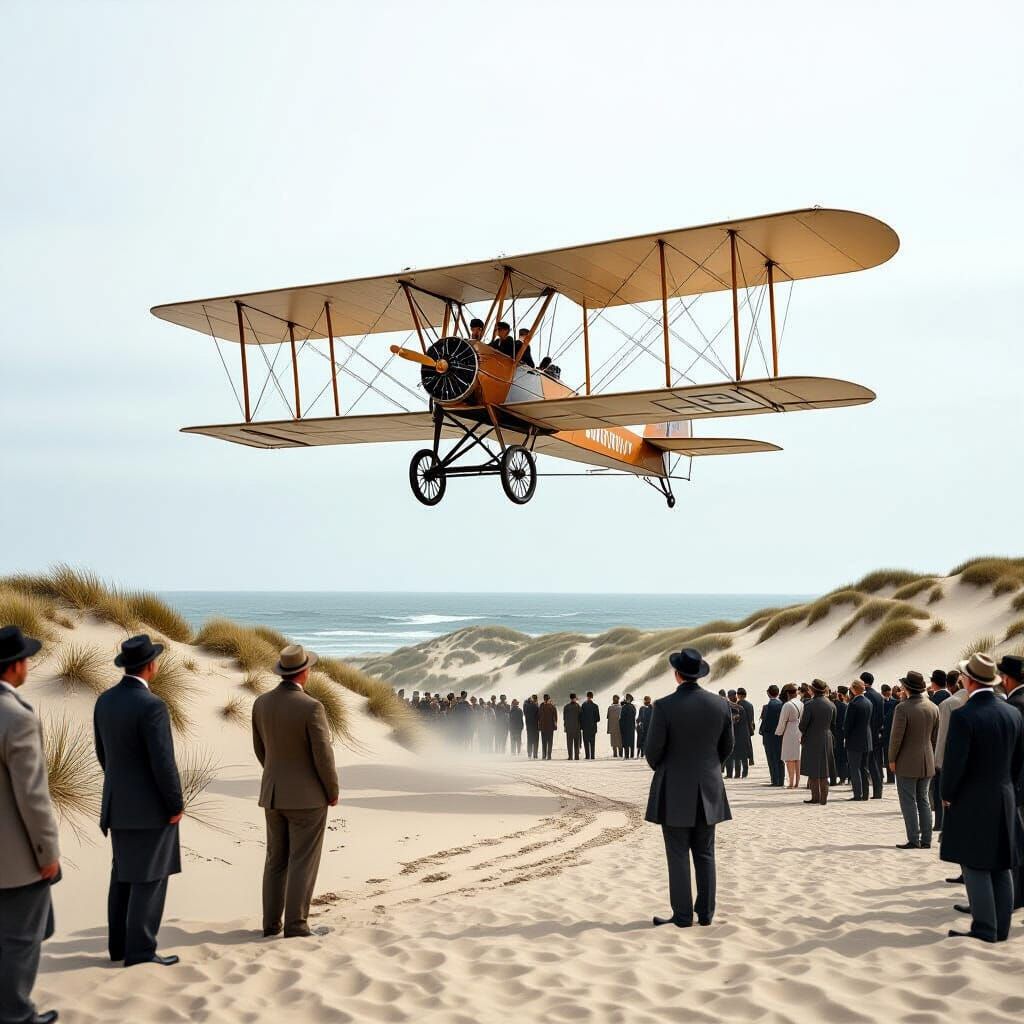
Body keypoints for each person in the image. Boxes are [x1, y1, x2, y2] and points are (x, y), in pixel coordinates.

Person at [93, 635, 183, 967]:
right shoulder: (152, 706)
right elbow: (163, 762)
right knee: (149, 877)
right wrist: (175, 804)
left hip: (118, 804)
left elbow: (103, 755)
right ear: (150, 666)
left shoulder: (105, 700)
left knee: (122, 875)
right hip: (149, 809)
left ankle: (119, 947)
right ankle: (141, 951)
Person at [252, 644, 339, 939]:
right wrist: (332, 790)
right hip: (307, 797)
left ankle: (270, 924)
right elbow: (323, 756)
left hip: (273, 793)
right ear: (304, 672)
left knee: (275, 859)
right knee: (302, 859)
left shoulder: (261, 703)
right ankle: (296, 925)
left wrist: (276, 776)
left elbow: (261, 750)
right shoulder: (312, 707)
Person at [645, 648, 733, 928]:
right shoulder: (720, 704)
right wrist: (708, 767)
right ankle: (705, 913)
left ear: (677, 674)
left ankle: (683, 915)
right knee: (706, 853)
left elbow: (652, 752)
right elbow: (727, 747)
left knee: (678, 854)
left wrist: (670, 768)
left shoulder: (664, 706)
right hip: (708, 786)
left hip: (674, 788)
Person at [0, 626, 60, 1024]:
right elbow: (33, 796)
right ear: (15, 666)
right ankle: (17, 1015)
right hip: (14, 856)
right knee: (22, 939)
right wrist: (48, 853)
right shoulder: (16, 717)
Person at [941, 653, 1024, 943]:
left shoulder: (965, 716)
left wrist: (947, 793)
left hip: (973, 797)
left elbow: (955, 764)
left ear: (971, 680)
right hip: (1005, 794)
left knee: (975, 863)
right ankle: (1001, 928)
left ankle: (985, 928)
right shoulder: (1012, 712)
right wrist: (1009, 788)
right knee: (1001, 863)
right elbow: (1018, 763)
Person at [888, 670, 939, 849]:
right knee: (923, 800)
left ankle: (913, 839)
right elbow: (934, 738)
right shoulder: (933, 707)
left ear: (908, 688)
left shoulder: (902, 708)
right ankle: (926, 839)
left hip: (907, 761)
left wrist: (892, 759)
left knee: (908, 801)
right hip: (927, 759)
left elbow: (896, 738)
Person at [996, 655, 1024, 908]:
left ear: (1006, 678)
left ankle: (1018, 895)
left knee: (1018, 842)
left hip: (1018, 784)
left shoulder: (1015, 705)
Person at [799, 680, 835, 805]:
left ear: (813, 690)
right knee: (824, 770)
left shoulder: (810, 704)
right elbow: (834, 723)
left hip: (812, 738)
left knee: (813, 769)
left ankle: (816, 797)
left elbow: (803, 725)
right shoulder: (830, 704)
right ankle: (824, 798)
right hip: (827, 737)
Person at [844, 680, 873, 801]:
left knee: (854, 767)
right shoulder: (868, 702)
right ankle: (865, 794)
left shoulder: (854, 704)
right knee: (864, 767)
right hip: (866, 738)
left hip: (855, 740)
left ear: (854, 689)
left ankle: (857, 794)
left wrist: (845, 736)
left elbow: (848, 724)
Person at [861, 672, 885, 798]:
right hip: (877, 732)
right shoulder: (878, 696)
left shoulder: (867, 696)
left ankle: (875, 790)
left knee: (871, 763)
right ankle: (878, 789)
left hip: (869, 733)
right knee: (877, 762)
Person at [775, 684, 803, 788]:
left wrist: (778, 732)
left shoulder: (787, 705)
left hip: (790, 730)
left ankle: (791, 782)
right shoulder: (801, 703)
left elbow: (782, 721)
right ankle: (797, 782)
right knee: (797, 757)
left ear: (787, 693)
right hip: (799, 729)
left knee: (789, 757)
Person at [759, 685, 785, 786]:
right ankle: (781, 780)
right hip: (780, 735)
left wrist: (762, 731)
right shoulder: (782, 704)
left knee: (771, 758)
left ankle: (775, 780)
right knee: (780, 758)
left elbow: (766, 722)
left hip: (769, 736)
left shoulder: (768, 706)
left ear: (768, 693)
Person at [724, 692, 748, 778]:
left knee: (734, 755)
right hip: (737, 734)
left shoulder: (737, 707)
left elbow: (735, 721)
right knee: (737, 755)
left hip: (734, 734)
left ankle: (735, 774)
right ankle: (737, 774)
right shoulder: (738, 707)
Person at [881, 684, 898, 783]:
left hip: (892, 731)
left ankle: (892, 777)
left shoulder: (895, 702)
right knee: (886, 755)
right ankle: (889, 777)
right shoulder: (881, 702)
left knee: (891, 755)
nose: (889, 693)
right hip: (885, 732)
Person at [737, 689, 756, 766]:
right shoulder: (750, 705)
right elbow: (752, 718)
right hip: (749, 726)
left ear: (738, 695)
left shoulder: (738, 704)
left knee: (740, 744)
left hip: (741, 727)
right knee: (748, 743)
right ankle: (751, 759)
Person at [580, 692, 600, 759]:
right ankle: (592, 756)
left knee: (586, 742)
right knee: (592, 742)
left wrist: (582, 726)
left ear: (587, 696)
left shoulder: (583, 705)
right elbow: (598, 719)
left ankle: (587, 756)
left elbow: (581, 717)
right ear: (592, 697)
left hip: (585, 727)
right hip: (593, 727)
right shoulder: (595, 706)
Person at [537, 695, 557, 760]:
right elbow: (555, 718)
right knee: (550, 742)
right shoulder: (552, 706)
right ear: (549, 699)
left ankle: (544, 755)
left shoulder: (541, 706)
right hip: (550, 727)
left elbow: (538, 716)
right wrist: (555, 726)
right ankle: (549, 755)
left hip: (543, 727)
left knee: (544, 742)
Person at [563, 694, 582, 761]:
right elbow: (581, 718)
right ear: (575, 698)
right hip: (577, 727)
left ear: (570, 698)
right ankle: (576, 756)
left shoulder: (566, 707)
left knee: (569, 743)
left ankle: (570, 756)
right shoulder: (578, 707)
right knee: (576, 742)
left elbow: (564, 718)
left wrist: (565, 727)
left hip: (569, 728)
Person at [620, 694, 637, 759]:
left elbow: (621, 718)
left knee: (626, 741)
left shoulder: (624, 707)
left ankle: (627, 755)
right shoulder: (633, 707)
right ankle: (632, 754)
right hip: (632, 726)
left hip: (625, 727)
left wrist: (621, 727)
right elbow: (634, 716)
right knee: (632, 741)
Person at [524, 695, 540, 759]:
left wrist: (527, 702)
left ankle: (529, 754)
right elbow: (539, 716)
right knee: (536, 740)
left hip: (529, 726)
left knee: (529, 740)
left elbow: (525, 712)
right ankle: (535, 754)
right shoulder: (536, 706)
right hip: (535, 726)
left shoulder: (527, 706)